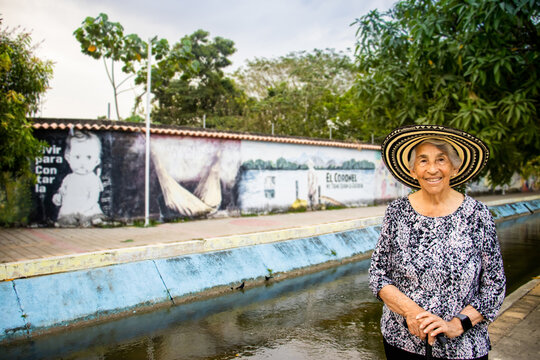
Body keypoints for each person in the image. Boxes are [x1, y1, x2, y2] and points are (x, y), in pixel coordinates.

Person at [370, 125, 506, 360]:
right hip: (402, 342)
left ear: (455, 167)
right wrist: (412, 313)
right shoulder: (397, 212)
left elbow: (495, 285)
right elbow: (378, 275)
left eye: (441, 160)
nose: (432, 169)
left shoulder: (478, 215)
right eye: (423, 161)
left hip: (464, 346)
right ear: (413, 170)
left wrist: (457, 324)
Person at [52, 130, 104, 226]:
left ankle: (92, 220)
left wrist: (81, 210)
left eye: (88, 157)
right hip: (71, 208)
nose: (82, 163)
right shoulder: (68, 178)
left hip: (87, 208)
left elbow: (93, 198)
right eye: (77, 157)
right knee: (66, 216)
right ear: (68, 158)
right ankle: (67, 222)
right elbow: (62, 191)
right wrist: (58, 197)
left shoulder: (93, 179)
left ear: (96, 161)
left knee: (92, 214)